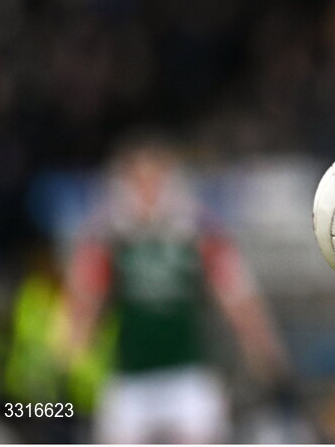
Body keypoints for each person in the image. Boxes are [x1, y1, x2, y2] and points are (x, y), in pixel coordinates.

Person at [63, 135, 290, 443]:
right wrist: (72, 349)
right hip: (130, 376)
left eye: (154, 180)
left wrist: (260, 346)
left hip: (187, 373)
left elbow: (236, 295)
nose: (147, 193)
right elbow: (87, 297)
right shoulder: (109, 235)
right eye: (138, 182)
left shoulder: (196, 231)